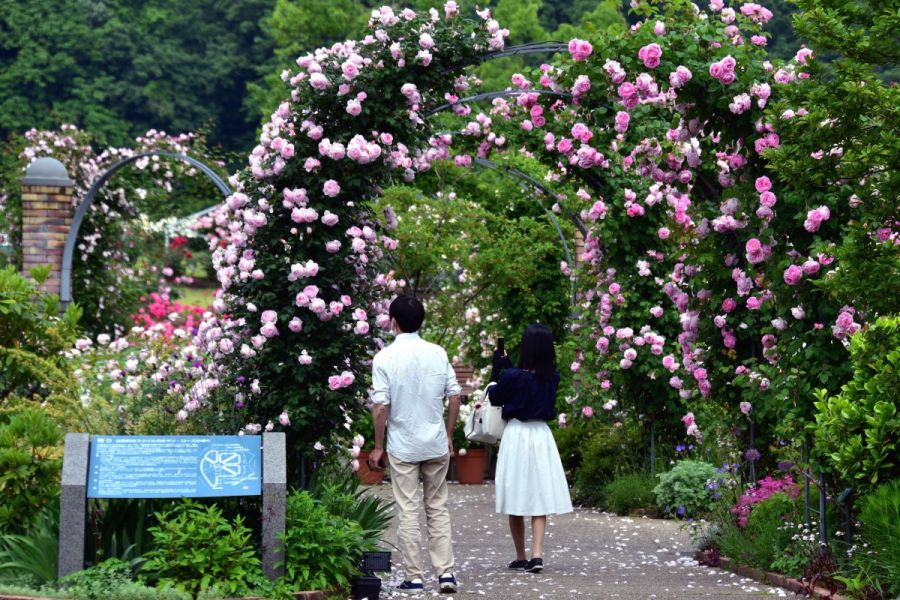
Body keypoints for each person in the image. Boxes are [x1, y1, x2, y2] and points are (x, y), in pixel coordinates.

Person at [369, 295, 462, 593]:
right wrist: (448, 434)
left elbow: (381, 406)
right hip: (435, 443)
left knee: (408, 509)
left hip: (403, 446)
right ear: (421, 321)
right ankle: (446, 574)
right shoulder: (437, 352)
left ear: (393, 322)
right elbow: (455, 395)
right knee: (437, 507)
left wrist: (378, 446)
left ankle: (415, 577)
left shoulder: (384, 358)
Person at [487, 324, 573, 573]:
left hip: (516, 435)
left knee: (516, 493)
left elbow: (495, 396)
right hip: (541, 435)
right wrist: (510, 366)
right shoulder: (552, 377)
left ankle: (521, 555)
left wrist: (497, 369)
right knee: (538, 494)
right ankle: (537, 554)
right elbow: (530, 382)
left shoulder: (512, 377)